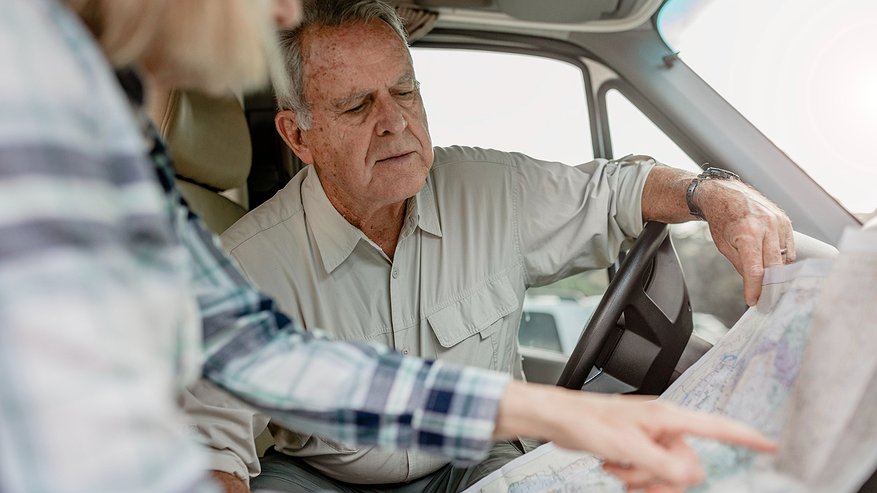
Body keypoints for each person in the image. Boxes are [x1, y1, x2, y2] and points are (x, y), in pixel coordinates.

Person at [0, 1, 774, 493]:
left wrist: (548, 410)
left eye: (404, 91)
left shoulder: (109, 125)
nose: (278, 10)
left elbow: (258, 350)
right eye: (354, 104)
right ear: (298, 138)